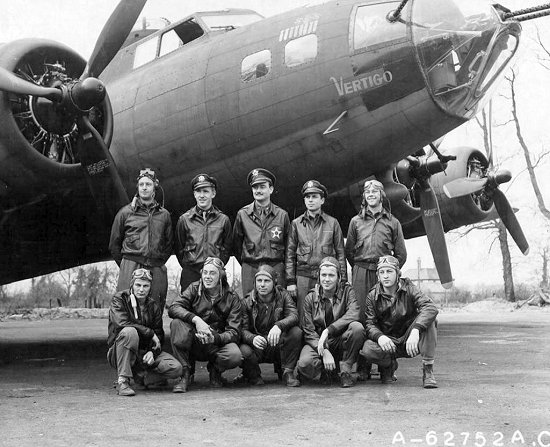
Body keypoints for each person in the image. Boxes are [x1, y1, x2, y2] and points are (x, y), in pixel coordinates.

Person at [345, 179, 407, 379]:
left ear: (382, 195)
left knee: (385, 317)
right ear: (364, 197)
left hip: (382, 275)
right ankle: (363, 365)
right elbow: (349, 252)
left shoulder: (393, 222)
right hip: (361, 271)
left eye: (375, 191)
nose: (371, 194)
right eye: (367, 191)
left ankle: (386, 367)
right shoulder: (355, 222)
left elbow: (401, 254)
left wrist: (388, 274)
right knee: (362, 318)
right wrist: (360, 270)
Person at [360, 255, 438, 388]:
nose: (385, 276)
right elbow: (369, 323)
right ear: (378, 276)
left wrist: (415, 330)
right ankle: (389, 364)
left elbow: (430, 307)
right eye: (382, 272)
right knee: (368, 348)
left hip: (409, 340)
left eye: (389, 271)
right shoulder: (372, 295)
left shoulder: (409, 288)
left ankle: (428, 369)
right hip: (388, 342)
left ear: (398, 274)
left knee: (430, 321)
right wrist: (380, 337)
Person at [169, 257, 242, 392]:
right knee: (176, 324)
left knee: (234, 355)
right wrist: (196, 320)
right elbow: (174, 307)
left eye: (212, 273)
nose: (207, 277)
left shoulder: (232, 297)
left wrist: (215, 338)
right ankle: (185, 374)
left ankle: (215, 371)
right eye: (205, 273)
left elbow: (234, 331)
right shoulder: (193, 288)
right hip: (193, 339)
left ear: (221, 276)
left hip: (215, 342)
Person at [107, 268, 183, 396]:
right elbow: (121, 324)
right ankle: (123, 381)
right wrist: (149, 332)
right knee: (129, 332)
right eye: (138, 285)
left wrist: (152, 352)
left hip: (144, 353)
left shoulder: (154, 306)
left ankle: (142, 377)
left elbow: (159, 335)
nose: (141, 289)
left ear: (150, 288)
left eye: (146, 286)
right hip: (121, 351)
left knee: (176, 368)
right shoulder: (119, 299)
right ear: (132, 284)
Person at [109, 168, 174, 310]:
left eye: (148, 184)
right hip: (131, 264)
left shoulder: (164, 215)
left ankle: (155, 332)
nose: (144, 188)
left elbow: (168, 244)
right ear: (137, 188)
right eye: (141, 184)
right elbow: (114, 244)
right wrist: (127, 264)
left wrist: (158, 261)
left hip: (156, 266)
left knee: (155, 306)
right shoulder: (125, 213)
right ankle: (123, 333)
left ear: (154, 188)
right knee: (125, 305)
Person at [296, 257, 364, 388]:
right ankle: (325, 370)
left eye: (331, 275)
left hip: (339, 339)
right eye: (323, 275)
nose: (326, 279)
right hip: (318, 342)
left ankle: (346, 371)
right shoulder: (310, 297)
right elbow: (309, 331)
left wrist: (329, 330)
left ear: (339, 278)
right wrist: (325, 351)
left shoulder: (347, 292)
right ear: (319, 277)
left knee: (357, 328)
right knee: (305, 363)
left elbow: (354, 313)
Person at [285, 180, 346, 320]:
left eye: (314, 196)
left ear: (322, 200)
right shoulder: (296, 224)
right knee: (303, 316)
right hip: (303, 277)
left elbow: (340, 253)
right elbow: (289, 254)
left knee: (328, 314)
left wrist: (342, 280)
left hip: (326, 277)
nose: (310, 200)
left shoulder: (333, 223)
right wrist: (290, 281)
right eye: (308, 197)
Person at [237, 265, 302, 387]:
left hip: (276, 343)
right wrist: (252, 338)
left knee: (296, 332)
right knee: (243, 350)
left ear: (274, 282)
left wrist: (279, 326)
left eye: (267, 281)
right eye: (259, 281)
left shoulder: (283, 295)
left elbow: (294, 315)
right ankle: (253, 375)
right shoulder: (246, 302)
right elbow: (242, 330)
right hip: (257, 345)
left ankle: (287, 372)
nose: (262, 285)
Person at [233, 168, 290, 295]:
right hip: (251, 267)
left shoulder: (282, 215)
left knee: (277, 305)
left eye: (262, 187)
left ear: (271, 189)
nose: (258, 191)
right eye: (255, 187)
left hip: (275, 267)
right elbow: (236, 245)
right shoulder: (243, 214)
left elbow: (288, 247)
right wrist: (248, 262)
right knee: (249, 305)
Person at [175, 173, 232, 291]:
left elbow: (227, 248)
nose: (202, 195)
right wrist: (190, 264)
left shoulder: (223, 220)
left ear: (213, 193)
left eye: (206, 191)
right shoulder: (184, 220)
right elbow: (179, 248)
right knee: (188, 307)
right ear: (194, 194)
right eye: (198, 191)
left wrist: (216, 266)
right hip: (191, 273)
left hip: (215, 272)